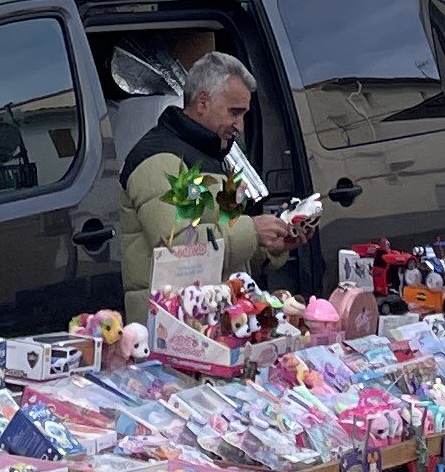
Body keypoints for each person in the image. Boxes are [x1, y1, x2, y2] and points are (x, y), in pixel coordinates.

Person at [117, 48, 312, 317]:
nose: (240, 126)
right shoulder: (161, 159)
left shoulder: (213, 156)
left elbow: (222, 251)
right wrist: (252, 231)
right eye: (234, 112)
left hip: (209, 324)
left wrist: (270, 247)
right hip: (170, 332)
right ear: (203, 102)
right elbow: (180, 246)